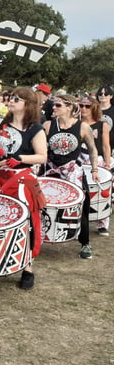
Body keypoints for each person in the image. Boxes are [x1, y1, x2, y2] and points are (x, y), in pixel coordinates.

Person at [0, 87, 47, 290]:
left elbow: (42, 156)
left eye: (15, 99)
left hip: (21, 180)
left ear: (27, 105)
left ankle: (27, 268)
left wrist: (18, 159)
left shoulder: (35, 128)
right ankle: (1, 260)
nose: (10, 101)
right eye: (10, 98)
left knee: (26, 222)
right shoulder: (3, 123)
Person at [43, 94, 98, 259]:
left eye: (58, 105)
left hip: (74, 172)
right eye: (53, 105)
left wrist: (95, 169)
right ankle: (39, 237)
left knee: (82, 206)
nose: (54, 108)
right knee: (43, 205)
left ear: (69, 107)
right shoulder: (47, 125)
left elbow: (93, 149)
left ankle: (85, 243)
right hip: (52, 170)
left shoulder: (82, 127)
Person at [79, 96, 110, 235]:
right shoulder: (76, 123)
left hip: (96, 161)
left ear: (94, 108)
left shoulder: (101, 124)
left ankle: (102, 223)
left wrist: (108, 164)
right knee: (82, 191)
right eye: (81, 105)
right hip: (79, 161)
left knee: (100, 192)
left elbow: (105, 145)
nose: (83, 108)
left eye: (87, 106)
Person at [95, 85, 114, 159]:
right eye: (100, 94)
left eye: (106, 94)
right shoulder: (92, 109)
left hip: (111, 146)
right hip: (95, 145)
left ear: (111, 96)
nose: (103, 96)